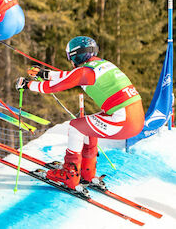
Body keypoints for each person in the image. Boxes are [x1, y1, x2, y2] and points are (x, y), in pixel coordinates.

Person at [15, 36, 145, 189]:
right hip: (135, 118)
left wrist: (27, 84)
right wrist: (44, 74)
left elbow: (53, 87)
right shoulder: (103, 65)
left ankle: (69, 175)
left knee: (76, 126)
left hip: (123, 121)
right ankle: (87, 173)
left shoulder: (84, 72)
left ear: (75, 56)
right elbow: (70, 76)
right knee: (88, 127)